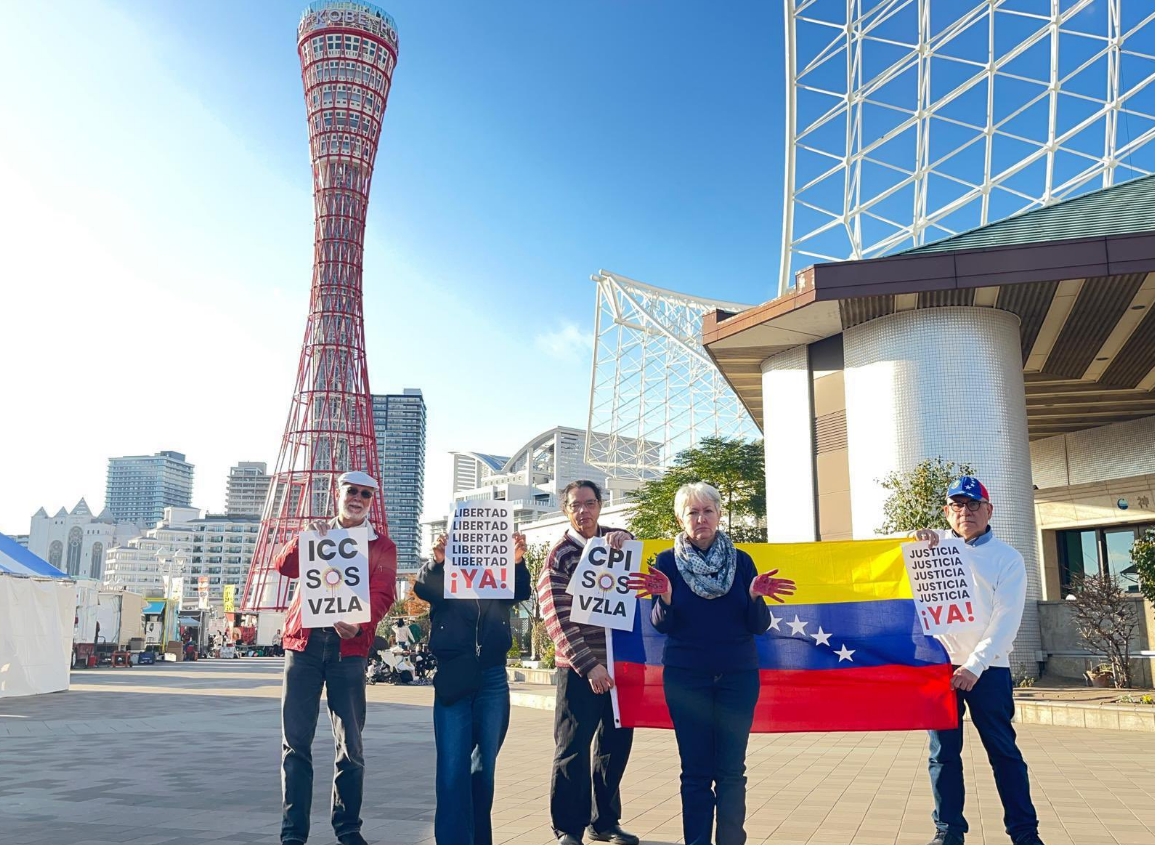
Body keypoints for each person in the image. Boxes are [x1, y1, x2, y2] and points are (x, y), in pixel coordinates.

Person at [626, 482, 795, 845]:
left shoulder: (743, 560)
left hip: (737, 676)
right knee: (696, 772)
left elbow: (759, 626)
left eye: (707, 511)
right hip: (687, 680)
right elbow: (662, 624)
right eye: (692, 512)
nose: (700, 518)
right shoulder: (667, 562)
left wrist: (753, 598)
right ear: (680, 518)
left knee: (732, 771)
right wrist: (666, 598)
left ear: (719, 515)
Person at [913, 476, 1044, 845]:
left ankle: (1024, 833)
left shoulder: (1007, 558)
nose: (965, 512)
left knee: (1004, 753)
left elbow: (1007, 619)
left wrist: (975, 664)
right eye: (957, 506)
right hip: (941, 669)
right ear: (947, 512)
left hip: (988, 670)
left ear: (989, 510)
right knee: (942, 756)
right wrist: (912, 540)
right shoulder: (930, 549)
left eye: (973, 505)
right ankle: (948, 831)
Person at [273, 471, 398, 845]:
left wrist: (360, 625)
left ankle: (347, 829)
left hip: (348, 650)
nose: (357, 498)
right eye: (351, 491)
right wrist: (304, 540)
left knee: (351, 744)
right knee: (295, 744)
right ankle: (293, 833)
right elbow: (284, 567)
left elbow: (383, 593)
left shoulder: (382, 546)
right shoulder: (315, 532)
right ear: (337, 494)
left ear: (372, 501)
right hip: (305, 645)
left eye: (365, 494)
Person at [413, 530, 532, 845]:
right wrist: (437, 562)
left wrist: (517, 562)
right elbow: (424, 588)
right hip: (455, 673)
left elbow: (520, 592)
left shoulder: (500, 571)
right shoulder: (447, 571)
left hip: (492, 675)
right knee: (453, 771)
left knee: (483, 770)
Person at [538, 480, 638, 845]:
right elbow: (557, 619)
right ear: (566, 510)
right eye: (576, 505)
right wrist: (589, 665)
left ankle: (605, 822)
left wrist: (626, 536)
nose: (584, 511)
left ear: (601, 505)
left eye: (591, 503)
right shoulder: (559, 556)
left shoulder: (617, 542)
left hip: (620, 667)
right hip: (579, 669)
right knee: (572, 749)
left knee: (614, 747)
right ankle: (568, 827)